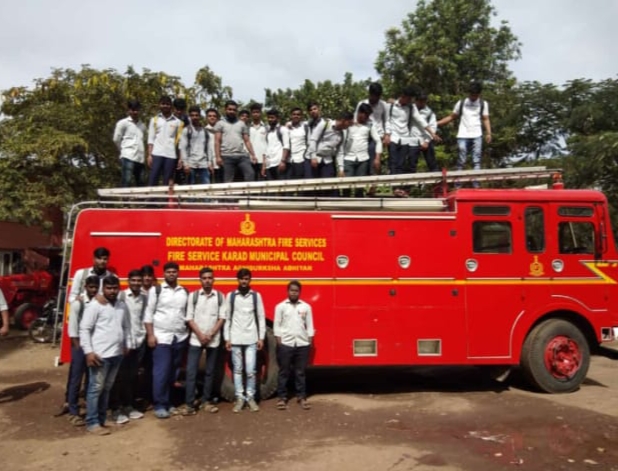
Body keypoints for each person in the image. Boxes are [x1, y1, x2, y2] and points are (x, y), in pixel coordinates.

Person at [80, 276, 132, 435]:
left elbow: (126, 326)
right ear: (103, 289)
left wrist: (127, 344)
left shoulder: (122, 305)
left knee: (107, 388)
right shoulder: (95, 306)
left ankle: (102, 419)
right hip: (100, 355)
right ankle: (92, 422)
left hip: (116, 353)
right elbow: (85, 329)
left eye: (115, 288)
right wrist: (88, 352)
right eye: (109, 288)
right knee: (95, 389)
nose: (112, 291)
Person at [143, 261, 189, 419]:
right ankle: (159, 404)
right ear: (164, 273)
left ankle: (169, 402)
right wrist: (150, 335)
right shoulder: (156, 290)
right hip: (161, 337)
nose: (171, 274)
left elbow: (186, 314)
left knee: (173, 373)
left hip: (179, 337)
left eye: (174, 271)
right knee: (161, 372)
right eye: (168, 272)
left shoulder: (184, 291)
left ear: (178, 273)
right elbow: (148, 314)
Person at [182, 267, 226, 416]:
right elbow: (189, 318)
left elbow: (222, 318)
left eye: (210, 278)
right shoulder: (193, 296)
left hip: (213, 340)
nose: (207, 281)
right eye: (204, 278)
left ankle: (206, 401)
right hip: (196, 339)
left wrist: (211, 334)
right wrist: (201, 335)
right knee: (191, 372)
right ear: (200, 280)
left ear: (213, 280)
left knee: (210, 372)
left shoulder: (220, 297)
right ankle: (189, 404)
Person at [384, 87, 441, 196]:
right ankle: (395, 188)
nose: (410, 101)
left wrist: (432, 134)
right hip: (394, 137)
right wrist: (387, 134)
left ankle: (401, 188)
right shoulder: (390, 106)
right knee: (393, 162)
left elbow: (421, 120)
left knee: (402, 164)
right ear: (403, 96)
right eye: (409, 99)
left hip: (406, 138)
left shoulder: (412, 107)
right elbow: (387, 120)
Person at [224, 268, 266, 413]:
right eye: (242, 278)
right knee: (237, 370)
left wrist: (261, 337)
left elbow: (261, 317)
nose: (244, 281)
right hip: (235, 338)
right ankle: (240, 398)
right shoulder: (231, 296)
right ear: (238, 280)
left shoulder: (256, 296)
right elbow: (227, 318)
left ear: (250, 280)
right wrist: (227, 338)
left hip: (251, 339)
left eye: (246, 279)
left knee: (250, 370)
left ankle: (250, 397)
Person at [109, 269, 147, 424]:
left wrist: (142, 337)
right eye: (134, 280)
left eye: (139, 281)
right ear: (128, 281)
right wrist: (124, 342)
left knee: (132, 377)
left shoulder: (144, 298)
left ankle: (128, 406)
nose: (136, 283)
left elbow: (143, 319)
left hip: (138, 342)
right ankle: (115, 408)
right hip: (123, 344)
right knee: (118, 377)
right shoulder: (121, 296)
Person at [437, 81, 491, 186]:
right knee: (462, 156)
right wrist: (438, 123)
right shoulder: (462, 103)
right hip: (463, 134)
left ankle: (476, 184)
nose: (473, 97)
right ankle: (458, 183)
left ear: (479, 94)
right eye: (472, 94)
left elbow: (485, 119)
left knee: (476, 159)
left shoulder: (483, 104)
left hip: (477, 134)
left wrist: (488, 133)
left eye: (475, 95)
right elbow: (452, 116)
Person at [274, 280, 314, 410]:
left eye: (296, 291)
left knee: (300, 372)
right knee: (284, 372)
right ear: (288, 291)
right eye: (292, 290)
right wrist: (279, 341)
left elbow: (310, 325)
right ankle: (282, 398)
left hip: (302, 344)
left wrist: (309, 340)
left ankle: (301, 397)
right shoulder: (280, 307)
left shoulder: (306, 307)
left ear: (299, 292)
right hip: (286, 343)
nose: (294, 293)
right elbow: (277, 325)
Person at [65, 276, 99, 426]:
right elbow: (73, 329)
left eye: (95, 287)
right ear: (85, 287)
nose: (93, 290)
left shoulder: (99, 302)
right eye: (91, 287)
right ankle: (73, 411)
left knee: (91, 378)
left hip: (93, 345)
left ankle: (90, 408)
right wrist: (79, 349)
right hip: (79, 345)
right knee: (76, 378)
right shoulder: (78, 303)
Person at [337, 103, 382, 197]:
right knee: (346, 187)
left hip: (363, 159)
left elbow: (378, 141)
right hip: (348, 158)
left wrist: (377, 157)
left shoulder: (370, 125)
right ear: (360, 113)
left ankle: (359, 205)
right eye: (366, 115)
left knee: (360, 187)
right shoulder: (349, 123)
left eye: (368, 115)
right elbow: (341, 146)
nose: (367, 118)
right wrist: (341, 168)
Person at [306, 111, 354, 193]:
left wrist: (341, 169)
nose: (349, 125)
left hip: (327, 160)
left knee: (329, 186)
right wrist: (313, 157)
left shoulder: (342, 133)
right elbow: (313, 140)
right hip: (314, 158)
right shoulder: (325, 124)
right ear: (343, 120)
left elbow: (340, 152)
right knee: (311, 187)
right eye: (349, 122)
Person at [214, 100, 258, 183]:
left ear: (236, 111)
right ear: (225, 110)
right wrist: (218, 157)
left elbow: (247, 141)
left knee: (250, 174)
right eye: (229, 109)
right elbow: (217, 141)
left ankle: (248, 192)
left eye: (234, 110)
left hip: (242, 156)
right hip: (226, 156)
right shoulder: (220, 124)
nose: (232, 111)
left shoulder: (242, 124)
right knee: (228, 181)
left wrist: (253, 155)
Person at [147, 95, 185, 187]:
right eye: (163, 104)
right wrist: (149, 155)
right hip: (157, 153)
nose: (165, 106)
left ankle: (165, 197)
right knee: (153, 179)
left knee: (167, 182)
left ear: (171, 106)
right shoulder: (154, 120)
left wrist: (180, 158)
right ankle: (151, 196)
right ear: (159, 105)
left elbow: (180, 142)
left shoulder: (178, 122)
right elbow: (151, 139)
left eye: (167, 104)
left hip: (170, 155)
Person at [355, 82, 387, 174]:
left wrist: (387, 134)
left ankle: (373, 176)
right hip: (364, 134)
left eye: (378, 97)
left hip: (378, 134)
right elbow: (355, 119)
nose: (376, 99)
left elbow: (386, 120)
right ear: (370, 94)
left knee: (373, 150)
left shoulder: (383, 105)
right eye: (374, 96)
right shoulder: (362, 104)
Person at [113, 99, 147, 187]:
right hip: (128, 156)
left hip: (140, 158)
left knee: (141, 183)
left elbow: (143, 140)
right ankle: (124, 197)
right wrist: (123, 150)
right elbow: (116, 139)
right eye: (133, 110)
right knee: (126, 181)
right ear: (129, 110)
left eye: (137, 110)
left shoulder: (142, 125)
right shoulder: (123, 123)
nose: (135, 112)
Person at [179, 106, 210, 185]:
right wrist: (185, 164)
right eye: (192, 115)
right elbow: (183, 148)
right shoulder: (186, 130)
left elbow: (208, 148)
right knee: (191, 189)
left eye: (196, 115)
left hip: (203, 164)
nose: (194, 117)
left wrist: (210, 162)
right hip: (191, 164)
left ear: (200, 116)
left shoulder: (205, 131)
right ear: (189, 116)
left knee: (206, 188)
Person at [410, 91, 439, 173]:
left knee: (432, 163)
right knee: (411, 164)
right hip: (412, 140)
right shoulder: (410, 108)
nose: (421, 103)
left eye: (423, 101)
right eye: (420, 101)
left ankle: (436, 180)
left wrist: (426, 141)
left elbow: (433, 126)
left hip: (426, 138)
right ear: (416, 100)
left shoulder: (429, 112)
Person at [262, 109, 290, 181]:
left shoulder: (283, 129)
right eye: (269, 118)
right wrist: (264, 166)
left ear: (277, 118)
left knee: (282, 186)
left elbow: (286, 146)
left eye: (272, 117)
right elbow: (266, 149)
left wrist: (283, 161)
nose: (270, 119)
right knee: (271, 187)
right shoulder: (268, 132)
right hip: (269, 165)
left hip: (279, 164)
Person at [286, 107, 309, 180]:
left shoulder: (305, 126)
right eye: (294, 114)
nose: (296, 116)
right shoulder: (286, 128)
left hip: (300, 160)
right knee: (288, 184)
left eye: (298, 114)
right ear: (291, 116)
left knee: (300, 183)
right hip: (289, 160)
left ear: (301, 116)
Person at [249, 103, 268, 181]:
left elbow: (267, 145)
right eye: (254, 112)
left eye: (257, 112)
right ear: (251, 114)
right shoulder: (247, 128)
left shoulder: (266, 127)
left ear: (261, 113)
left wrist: (265, 162)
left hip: (263, 161)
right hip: (250, 161)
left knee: (262, 184)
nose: (256, 114)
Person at [205, 108, 222, 184]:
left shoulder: (222, 131)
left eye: (214, 116)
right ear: (206, 118)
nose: (212, 117)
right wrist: (208, 162)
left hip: (220, 162)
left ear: (217, 118)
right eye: (210, 116)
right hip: (208, 163)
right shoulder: (203, 131)